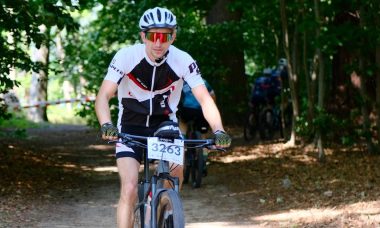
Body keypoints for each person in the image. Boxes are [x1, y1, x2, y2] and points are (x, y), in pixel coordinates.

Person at [95, 7, 231, 228]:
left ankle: (161, 211)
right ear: (143, 36)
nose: (158, 43)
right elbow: (103, 96)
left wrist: (219, 130)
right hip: (130, 126)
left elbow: (205, 99)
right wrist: (107, 125)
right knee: (129, 188)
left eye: (165, 36)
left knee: (175, 177)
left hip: (164, 125)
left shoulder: (183, 60)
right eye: (152, 36)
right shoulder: (126, 56)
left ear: (173, 36)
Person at [177, 79, 216, 176]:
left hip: (187, 111)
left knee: (182, 124)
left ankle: (183, 145)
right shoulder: (204, 82)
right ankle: (203, 162)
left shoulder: (182, 82)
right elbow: (212, 96)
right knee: (203, 137)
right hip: (202, 111)